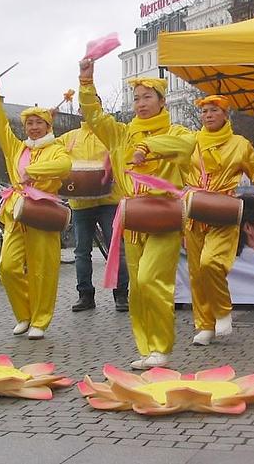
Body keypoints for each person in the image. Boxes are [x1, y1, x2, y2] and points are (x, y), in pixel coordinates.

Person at [78, 58, 196, 370]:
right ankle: (146, 348)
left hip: (163, 216)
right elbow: (94, 116)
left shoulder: (177, 130)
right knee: (137, 287)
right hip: (131, 219)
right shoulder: (121, 134)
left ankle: (160, 347)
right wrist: (86, 83)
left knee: (151, 279)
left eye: (147, 97)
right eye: (137, 98)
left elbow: (185, 146)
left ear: (161, 101)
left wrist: (148, 148)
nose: (140, 103)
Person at [184, 95, 254, 346]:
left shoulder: (239, 145)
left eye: (214, 111)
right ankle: (205, 325)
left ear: (225, 114)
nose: (208, 115)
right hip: (195, 211)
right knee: (197, 273)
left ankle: (222, 310)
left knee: (211, 263)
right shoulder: (191, 142)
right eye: (205, 111)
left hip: (224, 212)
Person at [0, 76, 72, 340]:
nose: (34, 128)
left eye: (39, 123)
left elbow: (64, 167)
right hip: (17, 211)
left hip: (44, 213)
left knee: (43, 269)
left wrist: (32, 172)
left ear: (48, 126)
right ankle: (24, 314)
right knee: (8, 267)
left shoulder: (57, 149)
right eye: (30, 123)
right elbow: (0, 127)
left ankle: (40, 320)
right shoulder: (17, 148)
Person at [59, 104, 129, 313]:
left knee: (117, 249)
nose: (88, 111)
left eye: (93, 106)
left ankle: (121, 294)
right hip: (80, 204)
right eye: (84, 107)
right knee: (82, 251)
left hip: (110, 200)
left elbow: (126, 153)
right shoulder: (68, 137)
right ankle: (85, 295)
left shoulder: (112, 132)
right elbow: (53, 157)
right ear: (80, 110)